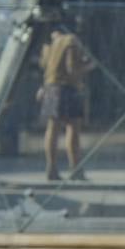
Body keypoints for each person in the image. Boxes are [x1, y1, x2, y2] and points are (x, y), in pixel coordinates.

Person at [37, 22, 96, 181]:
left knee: (52, 128)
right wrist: (88, 65)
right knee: (73, 128)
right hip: (68, 88)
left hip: (50, 88)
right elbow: (72, 68)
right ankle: (75, 167)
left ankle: (51, 167)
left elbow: (44, 66)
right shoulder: (70, 41)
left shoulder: (48, 44)